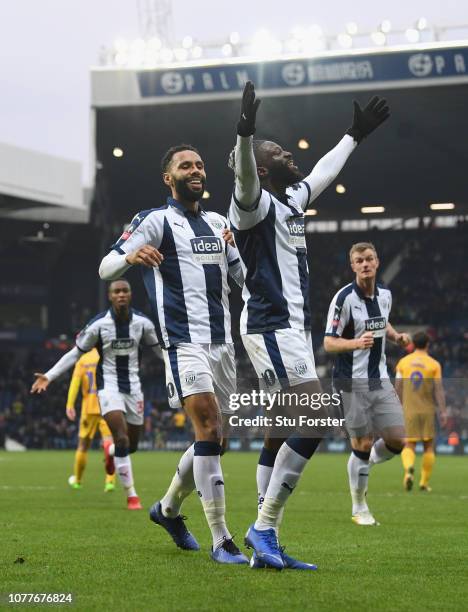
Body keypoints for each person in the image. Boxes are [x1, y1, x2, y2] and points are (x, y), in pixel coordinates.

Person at [228, 82, 390, 569]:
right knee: (317, 417)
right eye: (276, 151)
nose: (288, 154)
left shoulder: (293, 201)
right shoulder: (249, 205)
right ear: (259, 168)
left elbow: (321, 171)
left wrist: (354, 135)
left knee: (280, 430)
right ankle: (264, 527)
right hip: (270, 324)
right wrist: (244, 133)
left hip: (288, 328)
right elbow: (243, 178)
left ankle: (263, 544)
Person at [99, 144, 248, 565]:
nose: (196, 170)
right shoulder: (154, 220)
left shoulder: (219, 223)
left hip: (223, 345)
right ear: (170, 178)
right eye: (186, 165)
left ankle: (166, 510)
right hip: (183, 342)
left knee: (216, 440)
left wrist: (244, 249)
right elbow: (106, 267)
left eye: (200, 164)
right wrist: (130, 256)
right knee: (207, 425)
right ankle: (222, 540)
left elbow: (242, 278)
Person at [31, 279, 161, 510]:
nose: (121, 294)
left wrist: (180, 372)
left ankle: (111, 452)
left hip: (134, 387)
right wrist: (49, 376)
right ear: (110, 296)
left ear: (130, 295)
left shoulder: (143, 324)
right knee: (120, 437)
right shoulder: (99, 325)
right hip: (108, 386)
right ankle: (132, 495)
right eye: (116, 291)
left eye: (125, 291)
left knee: (130, 445)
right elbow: (74, 354)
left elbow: (160, 352)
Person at [324, 242, 411, 525]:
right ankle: (359, 507)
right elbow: (328, 342)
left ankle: (364, 464)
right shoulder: (344, 299)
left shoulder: (385, 294)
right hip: (351, 382)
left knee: (398, 440)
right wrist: (355, 343)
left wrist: (396, 336)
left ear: (377, 261)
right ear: (353, 266)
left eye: (369, 259)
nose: (365, 264)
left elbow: (381, 322)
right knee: (361, 441)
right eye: (359, 260)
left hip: (379, 378)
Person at [395, 331, 447, 492]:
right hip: (427, 410)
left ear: (413, 344)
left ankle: (409, 469)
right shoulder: (434, 364)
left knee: (408, 444)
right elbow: (438, 389)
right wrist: (443, 411)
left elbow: (398, 386)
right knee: (428, 446)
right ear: (428, 345)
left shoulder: (403, 363)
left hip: (408, 409)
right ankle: (423, 483)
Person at [65, 347, 116, 492]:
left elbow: (75, 384)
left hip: (89, 409)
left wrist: (70, 404)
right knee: (109, 444)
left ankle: (78, 480)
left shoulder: (84, 359)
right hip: (108, 406)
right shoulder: (107, 356)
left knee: (82, 446)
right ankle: (110, 481)